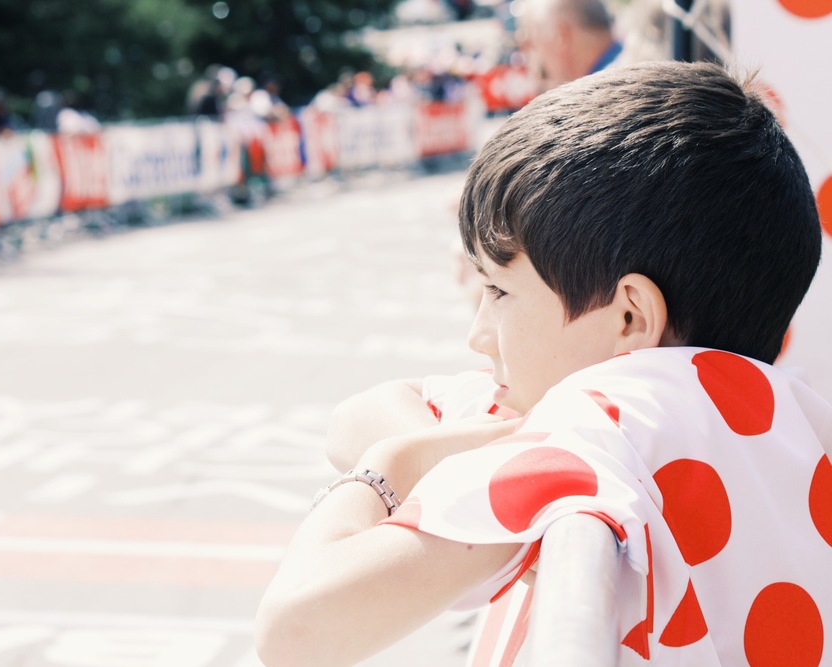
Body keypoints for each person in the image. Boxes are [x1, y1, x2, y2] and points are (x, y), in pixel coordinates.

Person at [255, 61, 829, 666]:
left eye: (499, 293)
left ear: (630, 318)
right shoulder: (789, 417)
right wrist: (466, 459)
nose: (478, 335)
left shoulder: (598, 434)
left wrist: (392, 465)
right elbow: (361, 410)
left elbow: (294, 631)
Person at [515, 0, 622, 92]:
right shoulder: (625, 69)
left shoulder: (605, 94)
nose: (527, 56)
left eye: (532, 42)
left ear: (560, 36)